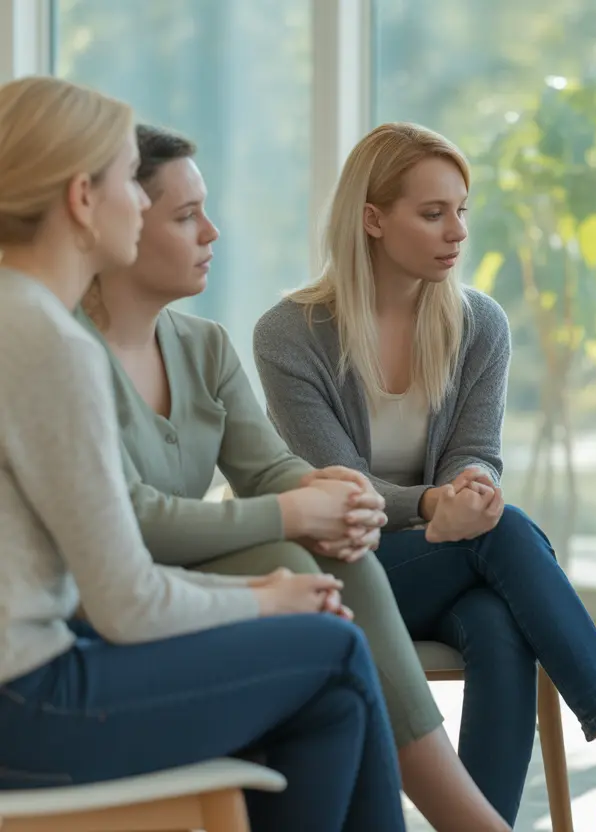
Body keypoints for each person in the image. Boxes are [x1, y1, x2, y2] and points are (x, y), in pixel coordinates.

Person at [253, 121, 596, 832]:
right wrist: (436, 503)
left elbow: (477, 450)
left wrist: (469, 490)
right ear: (372, 219)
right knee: (506, 533)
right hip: (343, 569)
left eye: (461, 210)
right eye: (433, 213)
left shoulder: (478, 322)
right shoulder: (289, 334)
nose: (457, 231)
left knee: (496, 618)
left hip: (447, 560)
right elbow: (342, 484)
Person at [0, 76, 405, 832]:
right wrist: (267, 599)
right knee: (335, 659)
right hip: (26, 704)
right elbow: (126, 604)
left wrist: (262, 593)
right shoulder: (49, 343)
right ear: (82, 199)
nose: (140, 201)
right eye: (131, 179)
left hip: (35, 670)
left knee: (311, 662)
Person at [81, 124, 512, 831]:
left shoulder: (202, 345)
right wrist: (296, 512)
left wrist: (340, 492)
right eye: (186, 216)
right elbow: (128, 522)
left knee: (337, 560)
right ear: (116, 222)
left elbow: (268, 468)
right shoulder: (64, 352)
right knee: (302, 562)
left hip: (183, 573)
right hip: (112, 594)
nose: (212, 232)